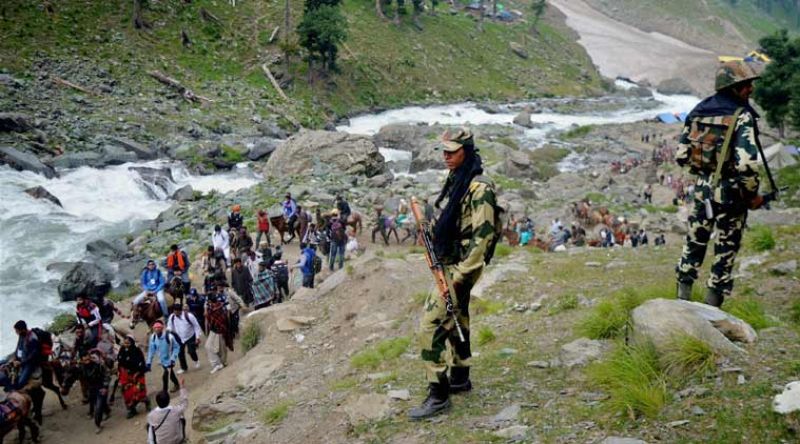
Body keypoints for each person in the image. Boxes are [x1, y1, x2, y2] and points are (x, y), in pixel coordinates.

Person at [410, 128, 498, 420]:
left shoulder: (479, 188)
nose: (446, 156)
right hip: (449, 261)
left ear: (467, 151)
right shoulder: (456, 178)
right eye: (444, 151)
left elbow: (482, 237)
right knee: (458, 316)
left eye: (452, 151)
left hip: (462, 266)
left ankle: (438, 395)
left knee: (430, 324)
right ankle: (460, 376)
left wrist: (461, 276)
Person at [674, 60, 772, 307]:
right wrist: (751, 196)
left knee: (695, 240)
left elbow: (681, 155)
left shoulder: (699, 110)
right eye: (746, 84)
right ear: (733, 87)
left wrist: (704, 173)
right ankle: (712, 308)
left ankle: (681, 299)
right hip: (732, 192)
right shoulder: (742, 116)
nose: (751, 89)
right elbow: (747, 165)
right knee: (726, 247)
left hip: (702, 187)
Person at [147, 378, 188, 444]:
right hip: (177, 441)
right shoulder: (176, 411)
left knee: (149, 426)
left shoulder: (151, 415)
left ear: (157, 402)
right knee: (182, 418)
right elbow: (184, 403)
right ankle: (183, 438)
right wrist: (182, 386)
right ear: (169, 401)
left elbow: (151, 432)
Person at [117, 335, 150, 419]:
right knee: (127, 394)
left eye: (128, 343)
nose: (126, 345)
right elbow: (120, 363)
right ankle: (132, 410)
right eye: (125, 343)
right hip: (126, 377)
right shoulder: (122, 351)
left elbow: (141, 363)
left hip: (137, 375)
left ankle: (146, 401)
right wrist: (121, 373)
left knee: (138, 392)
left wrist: (137, 372)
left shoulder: (137, 351)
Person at [146, 320, 180, 393]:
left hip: (170, 360)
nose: (156, 330)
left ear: (162, 328)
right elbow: (151, 350)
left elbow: (176, 347)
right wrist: (149, 362)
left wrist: (173, 358)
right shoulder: (153, 337)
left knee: (165, 375)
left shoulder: (169, 337)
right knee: (171, 374)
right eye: (155, 328)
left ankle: (164, 391)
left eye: (158, 328)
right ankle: (177, 384)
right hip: (162, 360)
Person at [167, 304, 203, 373]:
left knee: (191, 351)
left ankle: (196, 361)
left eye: (177, 311)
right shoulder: (172, 317)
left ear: (181, 311)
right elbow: (169, 326)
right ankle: (184, 368)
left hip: (190, 336)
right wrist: (169, 330)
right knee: (180, 353)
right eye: (174, 311)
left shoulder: (189, 316)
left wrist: (197, 337)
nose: (176, 313)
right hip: (179, 337)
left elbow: (196, 326)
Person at [82, 349, 111, 433]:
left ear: (90, 357)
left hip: (101, 387)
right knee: (100, 403)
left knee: (98, 407)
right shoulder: (82, 368)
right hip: (91, 389)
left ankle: (98, 424)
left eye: (88, 359)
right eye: (84, 360)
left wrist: (105, 387)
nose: (87, 361)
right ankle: (107, 411)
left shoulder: (98, 365)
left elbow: (106, 375)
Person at [205, 294, 232, 374]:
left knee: (213, 347)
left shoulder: (214, 309)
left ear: (210, 301)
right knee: (217, 347)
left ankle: (218, 364)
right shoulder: (221, 305)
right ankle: (221, 363)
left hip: (218, 331)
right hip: (219, 330)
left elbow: (209, 318)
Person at [10, 321, 40, 391]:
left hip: (29, 363)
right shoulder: (21, 335)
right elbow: (18, 346)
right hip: (20, 359)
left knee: (20, 383)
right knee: (2, 362)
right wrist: (14, 357)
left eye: (17, 331)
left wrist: (21, 363)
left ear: (23, 330)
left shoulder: (32, 338)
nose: (16, 332)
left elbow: (33, 355)